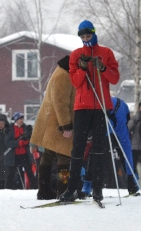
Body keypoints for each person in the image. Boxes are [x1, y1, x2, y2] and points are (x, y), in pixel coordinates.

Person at [59, 20, 119, 203]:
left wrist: (103, 68)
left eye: (88, 35)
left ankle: (98, 188)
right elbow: (76, 82)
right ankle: (72, 188)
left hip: (101, 106)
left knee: (99, 149)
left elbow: (115, 78)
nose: (86, 39)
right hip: (82, 107)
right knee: (78, 148)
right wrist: (83, 67)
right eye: (83, 37)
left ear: (94, 34)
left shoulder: (106, 53)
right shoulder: (76, 55)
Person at [30, 55, 75, 199]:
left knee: (48, 156)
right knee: (64, 156)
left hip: (52, 123)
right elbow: (61, 102)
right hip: (59, 124)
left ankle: (44, 190)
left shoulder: (60, 72)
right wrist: (66, 125)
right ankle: (62, 190)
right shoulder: (64, 75)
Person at [108, 96, 139, 194]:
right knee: (126, 152)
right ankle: (132, 183)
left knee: (95, 152)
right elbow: (127, 119)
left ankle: (87, 186)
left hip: (106, 125)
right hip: (121, 126)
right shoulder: (122, 104)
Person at [7, 112, 36, 189]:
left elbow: (31, 139)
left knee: (29, 171)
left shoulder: (26, 128)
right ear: (16, 120)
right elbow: (7, 142)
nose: (21, 120)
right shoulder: (10, 129)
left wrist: (26, 142)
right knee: (11, 172)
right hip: (14, 154)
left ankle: (34, 186)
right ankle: (9, 187)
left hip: (24, 153)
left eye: (22, 119)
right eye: (19, 119)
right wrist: (18, 143)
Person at [128, 102, 141, 182]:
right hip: (135, 145)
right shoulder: (135, 118)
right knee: (134, 164)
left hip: (136, 145)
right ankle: (135, 182)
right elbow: (129, 127)